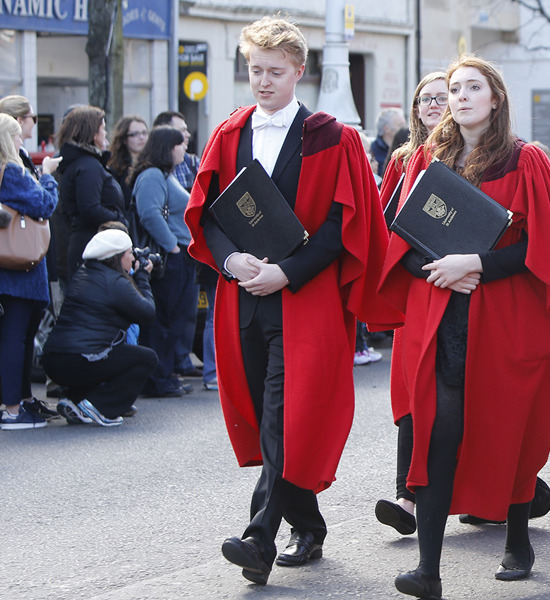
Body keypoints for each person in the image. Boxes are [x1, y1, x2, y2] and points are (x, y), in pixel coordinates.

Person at [184, 16, 395, 585]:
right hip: (243, 300)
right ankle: (308, 522)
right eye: (255, 70)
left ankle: (260, 537)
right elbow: (209, 213)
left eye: (275, 71)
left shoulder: (333, 136)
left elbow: (340, 227)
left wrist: (287, 272)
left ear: (300, 72)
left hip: (304, 301)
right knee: (266, 417)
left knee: (285, 416)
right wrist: (229, 261)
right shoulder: (229, 132)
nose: (263, 81)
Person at [379, 55, 550, 599]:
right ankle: (429, 569)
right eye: (454, 88)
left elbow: (546, 249)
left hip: (507, 321)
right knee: (438, 435)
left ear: (496, 99)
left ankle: (518, 538)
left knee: (508, 428)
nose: (462, 96)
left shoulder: (527, 161)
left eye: (475, 87)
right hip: (442, 320)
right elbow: (399, 240)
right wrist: (442, 271)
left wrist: (475, 265)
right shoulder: (425, 160)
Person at [372, 71, 448, 539]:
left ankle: (509, 490)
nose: (435, 105)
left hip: (461, 289)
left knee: (461, 397)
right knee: (411, 396)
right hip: (414, 293)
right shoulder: (403, 161)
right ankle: (406, 495)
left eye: (444, 97)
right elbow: (385, 225)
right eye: (426, 99)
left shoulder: (476, 155)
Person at [41, 229, 156, 427]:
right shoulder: (114, 281)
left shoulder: (84, 273)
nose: (132, 258)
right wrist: (143, 277)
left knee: (107, 352)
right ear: (117, 257)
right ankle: (101, 407)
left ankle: (76, 401)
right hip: (80, 359)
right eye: (129, 253)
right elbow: (147, 313)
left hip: (54, 360)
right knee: (146, 358)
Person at [0, 95, 62, 421]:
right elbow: (44, 205)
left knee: (21, 334)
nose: (24, 133)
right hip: (20, 266)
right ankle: (12, 408)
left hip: (19, 264)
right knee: (17, 334)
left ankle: (20, 400)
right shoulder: (11, 170)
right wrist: (48, 174)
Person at [132, 126, 196, 398]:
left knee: (174, 319)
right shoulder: (152, 175)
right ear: (166, 148)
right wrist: (172, 247)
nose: (184, 149)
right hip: (168, 257)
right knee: (162, 321)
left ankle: (167, 374)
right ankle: (157, 378)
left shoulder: (165, 175)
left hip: (179, 253)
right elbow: (149, 214)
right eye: (179, 144)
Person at [55, 106, 126, 278]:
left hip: (88, 242)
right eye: (103, 128)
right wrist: (118, 218)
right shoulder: (88, 166)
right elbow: (90, 208)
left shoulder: (83, 163)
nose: (106, 134)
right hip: (92, 244)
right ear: (93, 134)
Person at [107, 116, 149, 225]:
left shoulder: (152, 165)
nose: (141, 137)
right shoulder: (115, 167)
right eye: (135, 134)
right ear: (124, 139)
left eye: (144, 133)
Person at [371, 107, 408, 177]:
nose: (405, 128)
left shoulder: (407, 148)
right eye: (400, 125)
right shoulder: (372, 150)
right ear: (386, 128)